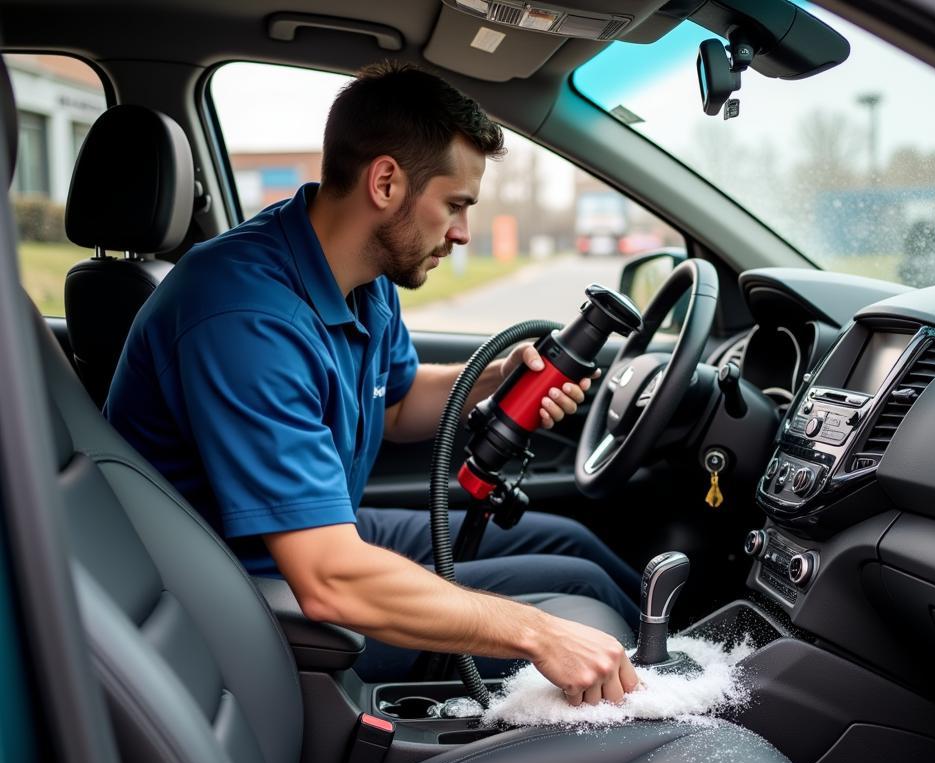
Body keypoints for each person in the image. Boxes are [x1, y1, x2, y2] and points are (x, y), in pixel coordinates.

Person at [106, 61, 640, 705]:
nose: (463, 232)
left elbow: (396, 404)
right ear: (386, 182)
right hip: (251, 600)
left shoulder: (361, 274)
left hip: (320, 537)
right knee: (577, 613)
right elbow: (329, 580)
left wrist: (494, 377)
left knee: (572, 548)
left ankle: (671, 674)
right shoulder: (245, 317)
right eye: (455, 205)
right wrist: (537, 633)